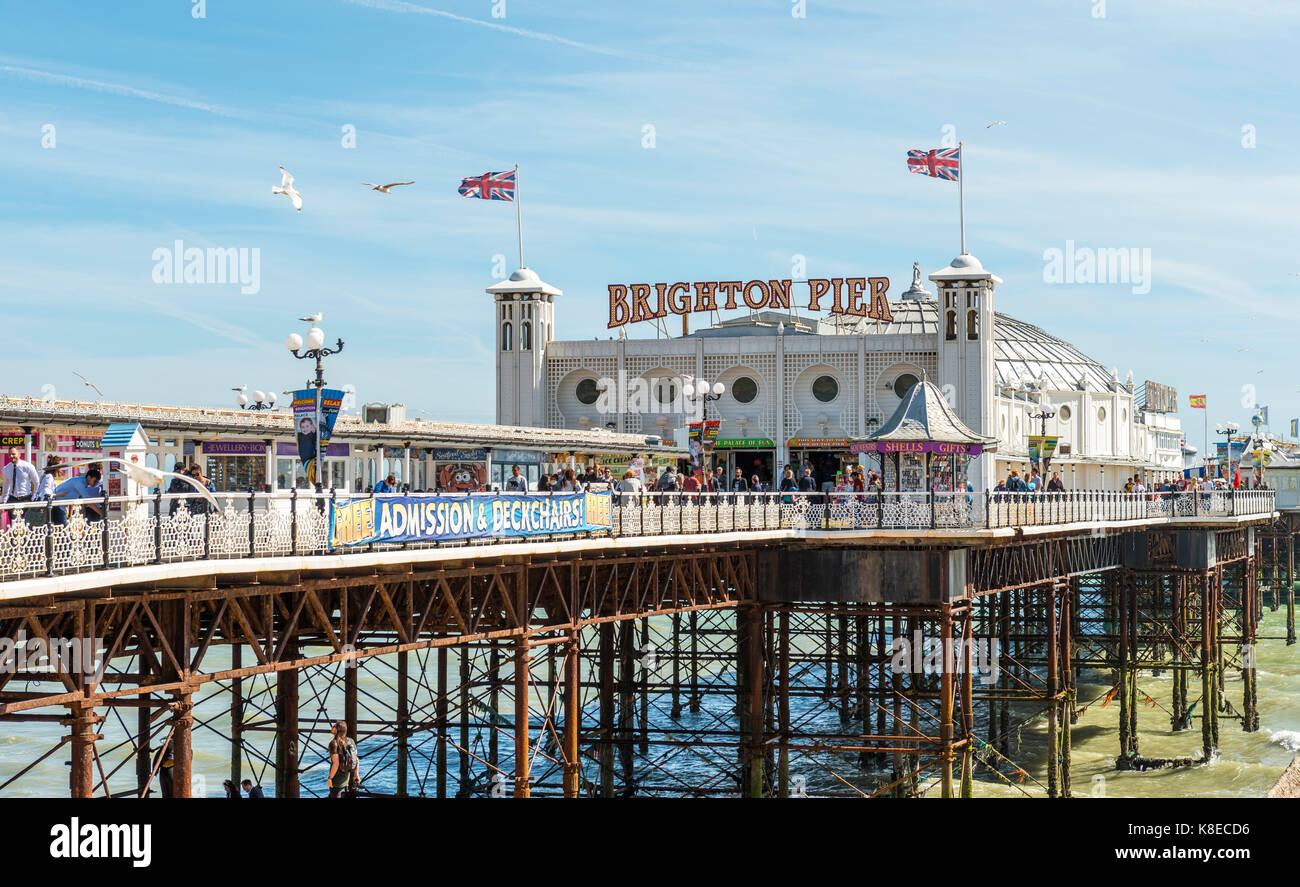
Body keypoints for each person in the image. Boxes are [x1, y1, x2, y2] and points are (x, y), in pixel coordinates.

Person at [2, 445, 40, 527]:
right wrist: (4, 500)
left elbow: (37, 482)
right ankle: (14, 539)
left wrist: (34, 497)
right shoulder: (6, 469)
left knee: (27, 524)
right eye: (9, 455)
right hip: (12, 499)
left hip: (25, 499)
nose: (11, 456)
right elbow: (6, 486)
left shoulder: (28, 466)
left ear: (19, 454)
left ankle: (27, 539)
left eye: (13, 454)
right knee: (13, 525)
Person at [327, 721, 360, 799]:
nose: (332, 727)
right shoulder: (350, 741)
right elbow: (356, 759)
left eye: (334, 726)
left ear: (337, 730)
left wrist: (330, 778)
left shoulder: (334, 743)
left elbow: (336, 763)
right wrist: (356, 774)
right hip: (346, 778)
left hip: (336, 779)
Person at [28, 455, 62, 526]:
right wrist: (60, 495)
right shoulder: (49, 477)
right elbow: (46, 492)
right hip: (45, 507)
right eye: (60, 467)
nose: (61, 469)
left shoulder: (46, 475)